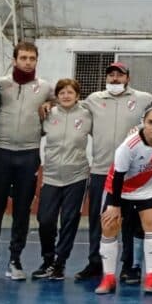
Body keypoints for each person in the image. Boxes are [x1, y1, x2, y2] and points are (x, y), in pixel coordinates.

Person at [0, 41, 53, 282]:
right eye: (24, 58)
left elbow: (62, 101)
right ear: (14, 60)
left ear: (36, 61)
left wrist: (50, 104)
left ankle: (15, 260)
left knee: (22, 210)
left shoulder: (44, 87)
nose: (28, 62)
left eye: (32, 58)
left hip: (29, 154)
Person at [75, 62, 152, 284]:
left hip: (130, 173)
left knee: (128, 221)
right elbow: (69, 103)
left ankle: (128, 266)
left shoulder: (143, 98)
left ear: (127, 78)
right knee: (98, 220)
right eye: (111, 75)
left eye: (119, 75)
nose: (115, 79)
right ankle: (95, 263)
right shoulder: (93, 99)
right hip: (101, 170)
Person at [95, 100, 152, 295]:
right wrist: (114, 205)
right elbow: (118, 176)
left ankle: (150, 277)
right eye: (151, 122)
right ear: (143, 122)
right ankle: (108, 278)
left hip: (147, 190)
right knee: (109, 228)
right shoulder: (129, 145)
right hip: (119, 190)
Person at [32, 79, 92, 281]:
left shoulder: (86, 115)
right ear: (56, 95)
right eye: (62, 92)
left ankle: (60, 263)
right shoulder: (47, 115)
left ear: (77, 95)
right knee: (45, 220)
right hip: (51, 176)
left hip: (77, 176)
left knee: (69, 220)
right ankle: (47, 260)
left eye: (70, 92)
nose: (66, 95)